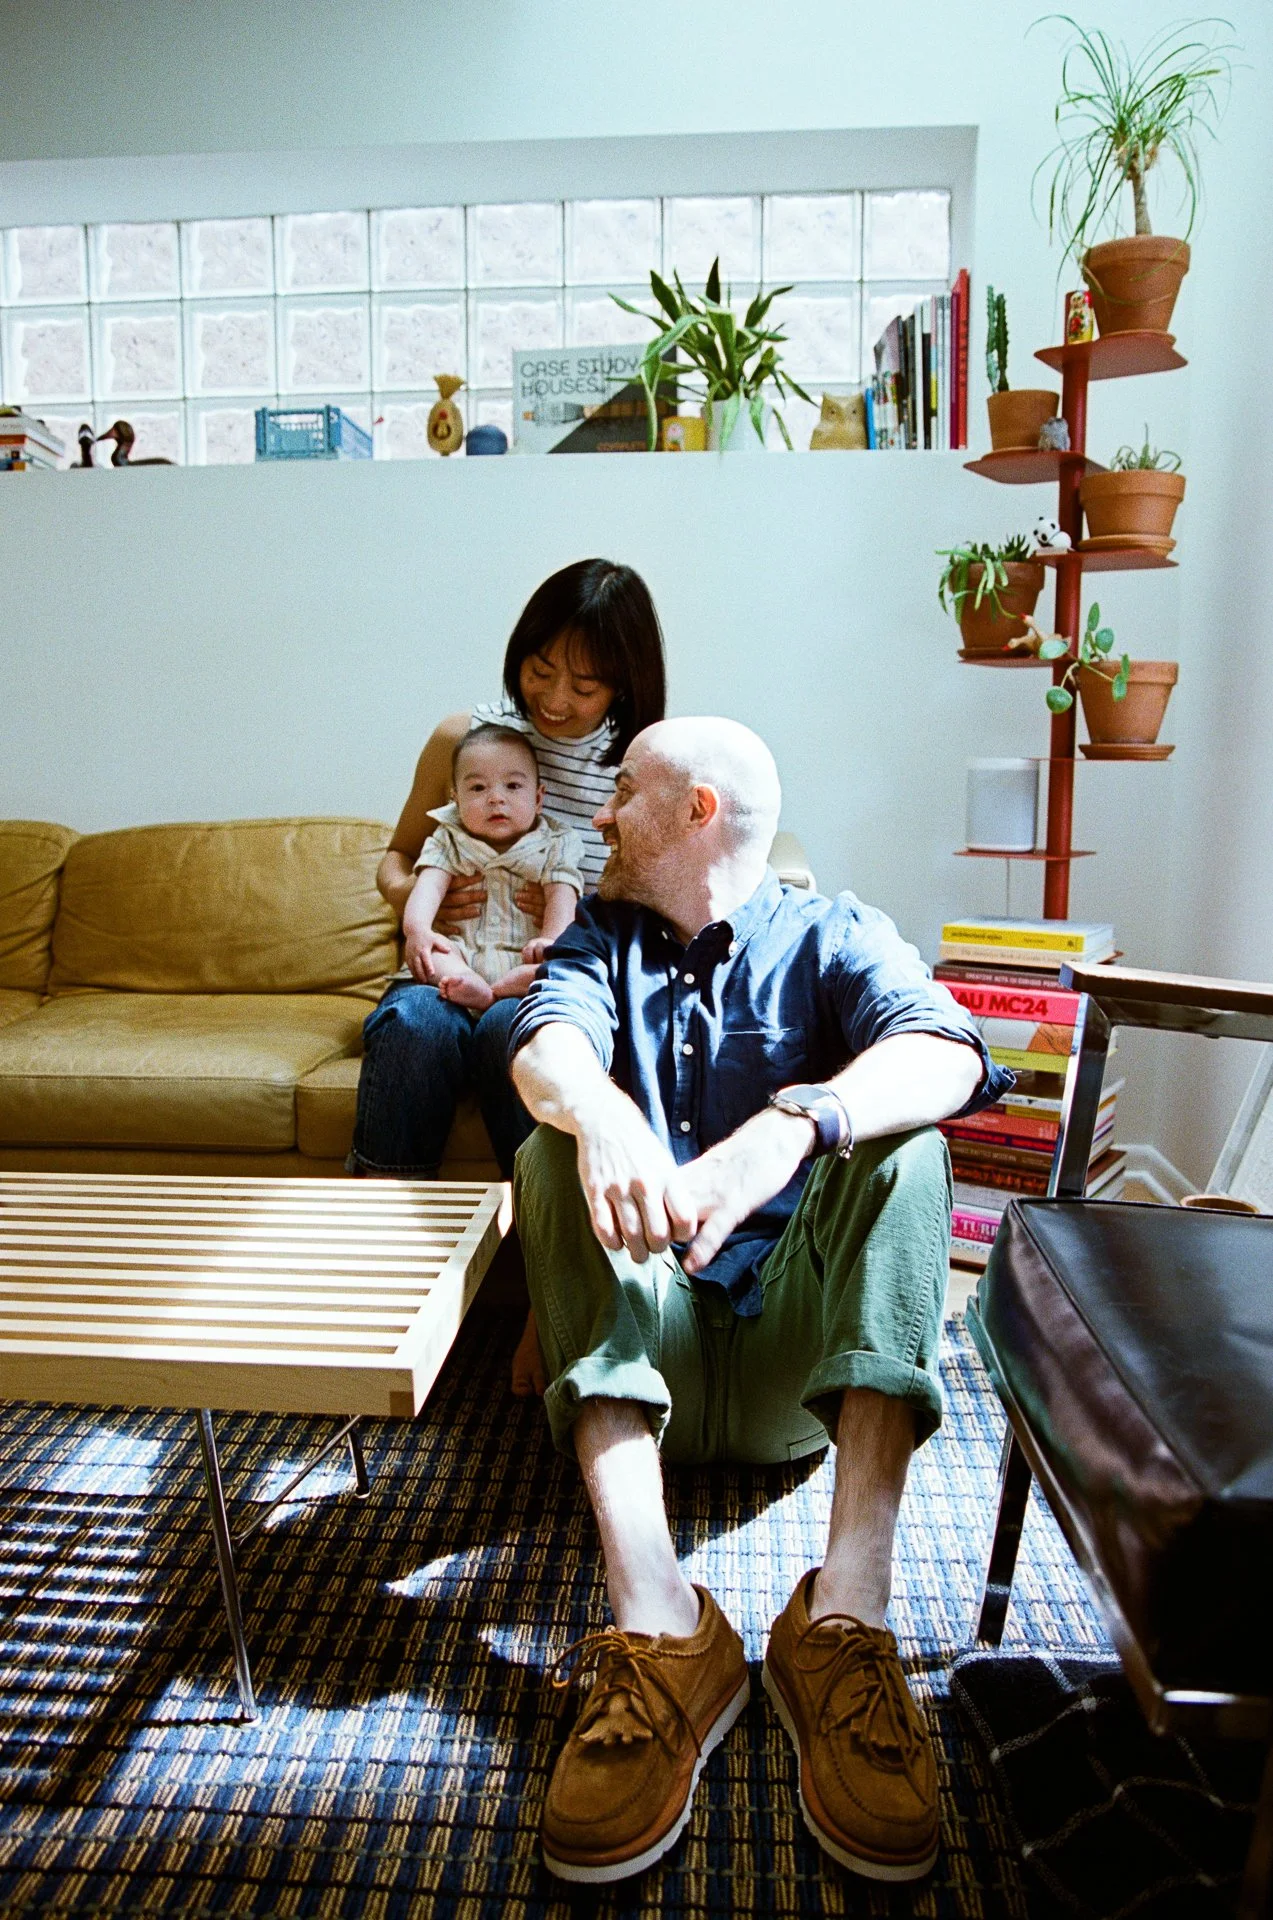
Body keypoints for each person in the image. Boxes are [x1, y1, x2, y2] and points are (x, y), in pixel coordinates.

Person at [506, 717, 1014, 1887]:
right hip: (650, 1347)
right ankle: (660, 1628)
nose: (598, 813)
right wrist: (603, 1115)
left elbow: (945, 1052)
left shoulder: (834, 931)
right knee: (548, 1148)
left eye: (622, 791)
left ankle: (845, 1619)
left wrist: (792, 1125)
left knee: (908, 1148)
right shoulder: (599, 943)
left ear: (696, 811)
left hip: (800, 1369)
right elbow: (543, 1051)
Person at [349, 558, 666, 1186]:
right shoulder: (465, 740)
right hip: (450, 963)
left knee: (508, 1030)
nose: (553, 700)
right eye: (540, 671)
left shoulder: (643, 765)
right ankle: (378, 1228)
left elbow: (656, 907)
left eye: (584, 686)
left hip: (554, 973)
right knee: (415, 1024)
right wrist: (420, 898)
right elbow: (397, 858)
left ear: (624, 683)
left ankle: (540, 1239)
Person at [404, 724, 584, 1012]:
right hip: (462, 952)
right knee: (433, 954)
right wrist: (418, 929)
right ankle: (467, 982)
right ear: (456, 799)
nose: (496, 798)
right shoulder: (448, 838)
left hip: (525, 956)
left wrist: (550, 938)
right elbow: (429, 886)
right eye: (478, 787)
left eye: (512, 786)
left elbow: (563, 896)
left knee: (560, 961)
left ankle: (523, 981)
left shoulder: (555, 843)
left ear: (538, 799)